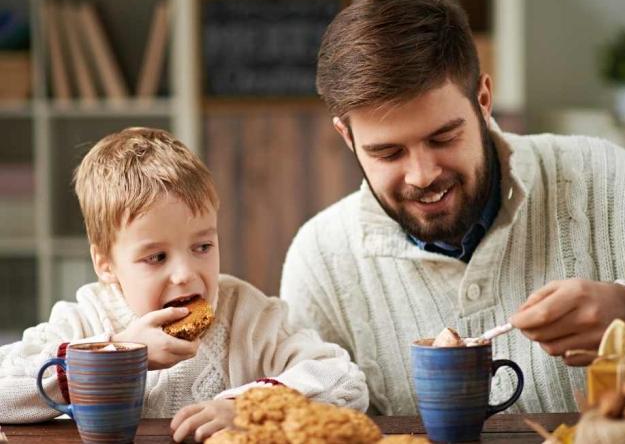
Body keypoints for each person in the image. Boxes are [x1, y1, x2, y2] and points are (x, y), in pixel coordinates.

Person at [280, 0, 625, 415]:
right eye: (388, 153)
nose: (422, 174)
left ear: (484, 99)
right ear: (347, 137)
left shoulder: (606, 176)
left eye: (443, 137)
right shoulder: (320, 260)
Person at [0, 128, 368, 442]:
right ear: (106, 265)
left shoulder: (247, 315)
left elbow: (344, 380)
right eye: (156, 257)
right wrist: (116, 355)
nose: (185, 274)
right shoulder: (86, 322)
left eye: (202, 246)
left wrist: (249, 408)